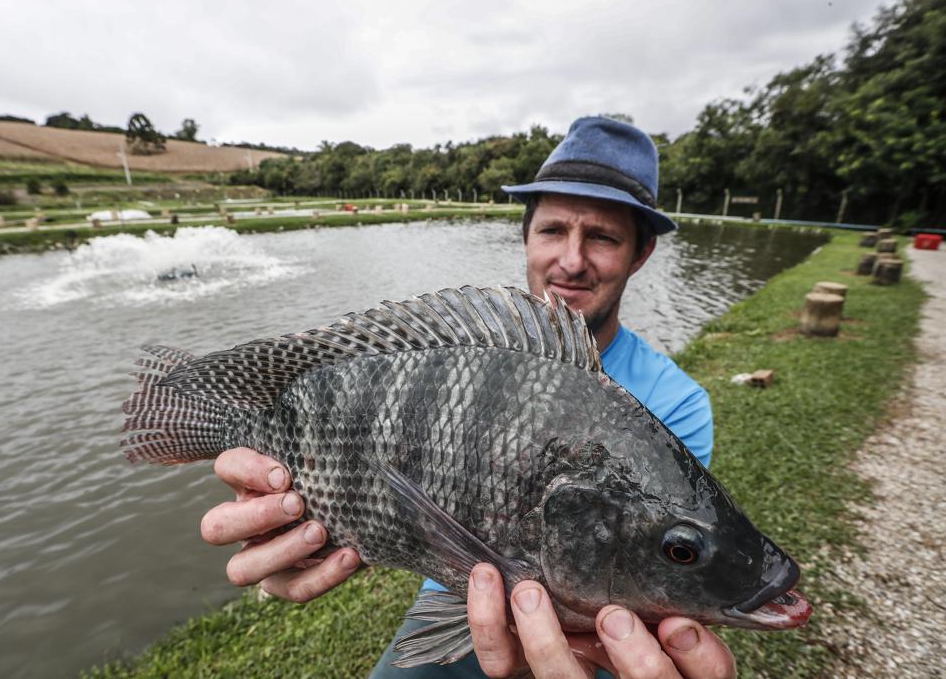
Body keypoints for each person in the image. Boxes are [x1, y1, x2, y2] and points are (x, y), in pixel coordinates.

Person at [199, 117, 736, 679]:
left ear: (641, 252)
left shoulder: (676, 404)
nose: (572, 260)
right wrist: (301, 531)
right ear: (526, 235)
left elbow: (655, 571)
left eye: (602, 236)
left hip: (582, 651)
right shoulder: (478, 353)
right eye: (553, 230)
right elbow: (399, 509)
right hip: (453, 603)